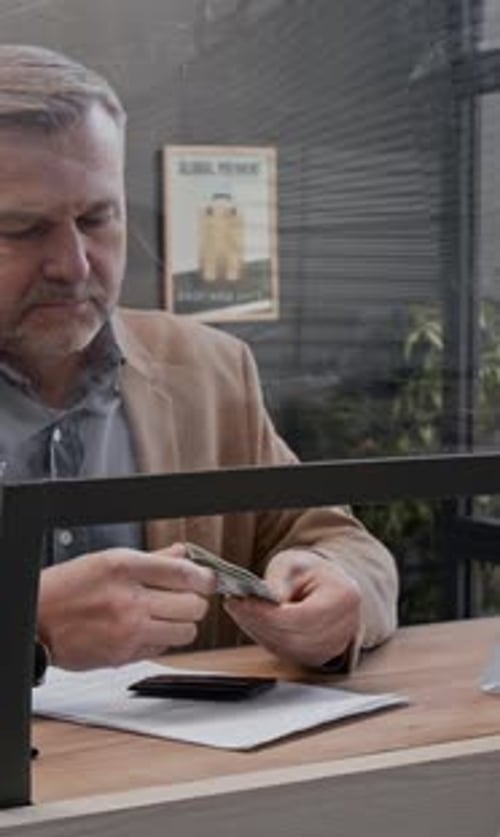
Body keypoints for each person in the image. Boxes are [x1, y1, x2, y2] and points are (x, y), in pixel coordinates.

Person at [0, 44, 398, 675]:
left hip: (193, 772)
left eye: (98, 218)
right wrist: (27, 625)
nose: (73, 265)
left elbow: (338, 542)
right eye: (21, 229)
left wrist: (334, 590)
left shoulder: (209, 369)